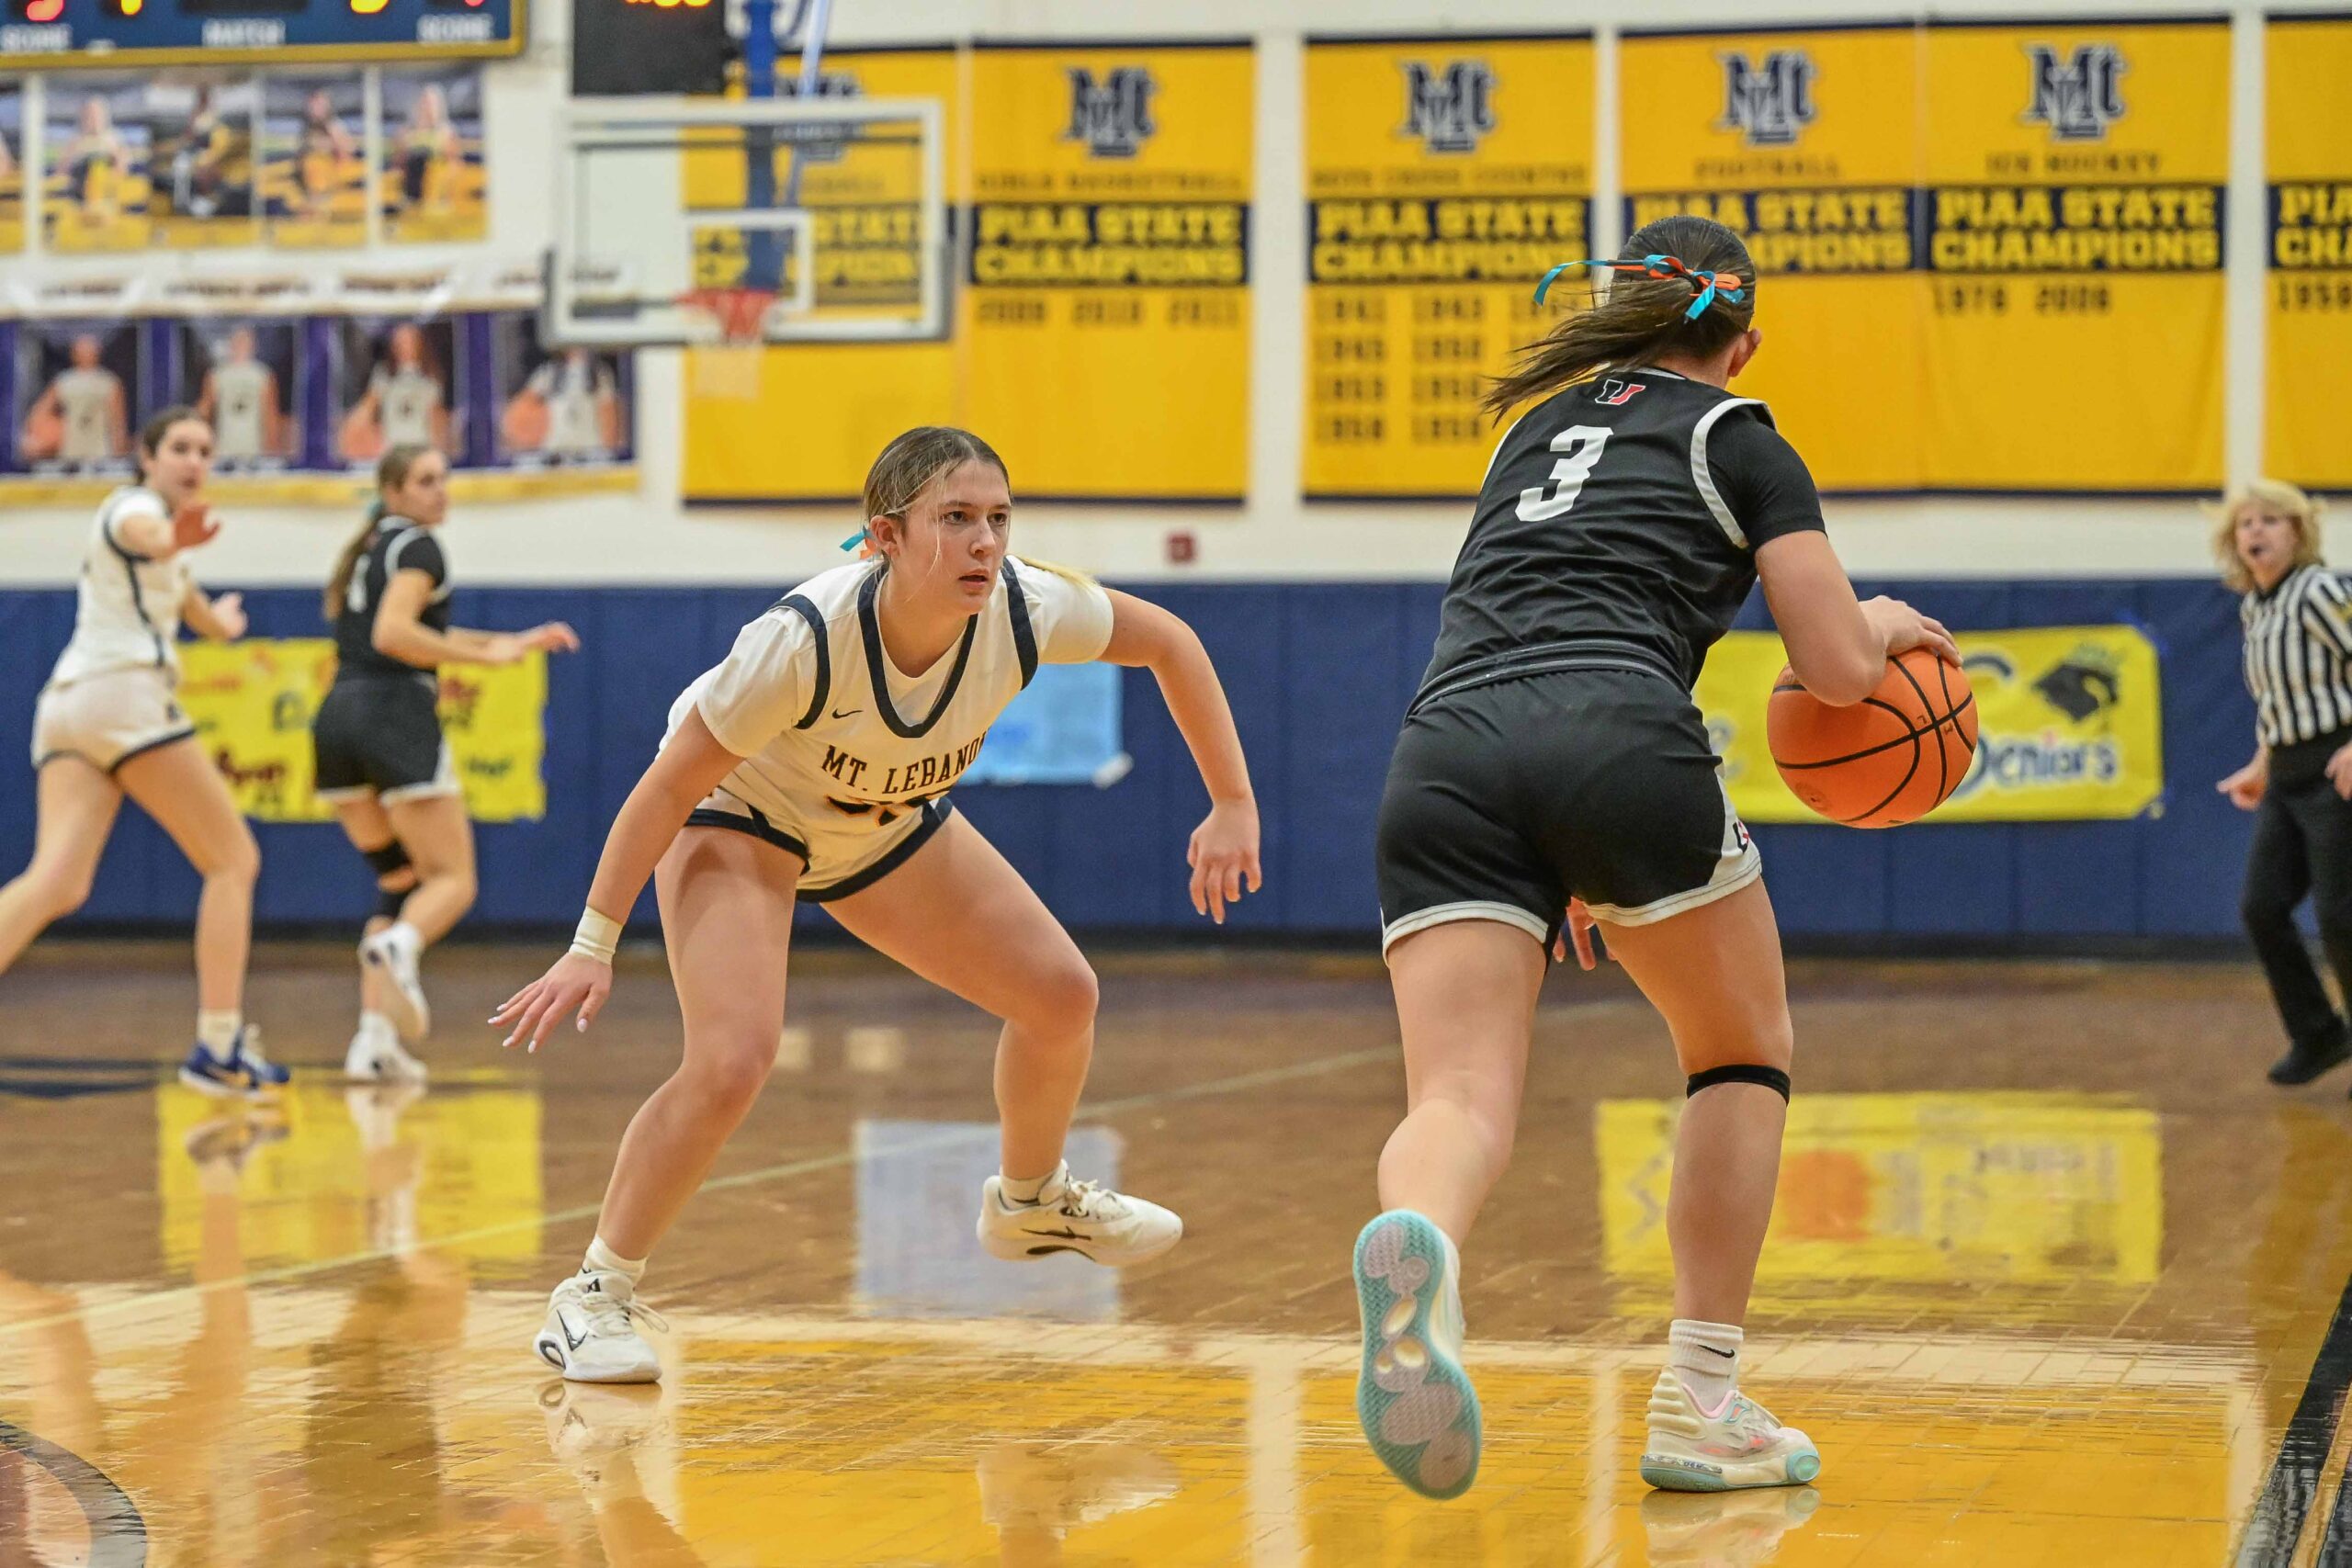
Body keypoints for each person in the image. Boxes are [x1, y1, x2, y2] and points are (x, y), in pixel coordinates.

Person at [1353, 216, 1957, 1498]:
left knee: (1456, 1096)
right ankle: (1701, 1400)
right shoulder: (1740, 436)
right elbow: (1837, 670)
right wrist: (1885, 620)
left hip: (1443, 750)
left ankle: (1420, 1246)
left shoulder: (1529, 432)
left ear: (1620, 313)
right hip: (1616, 729)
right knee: (1740, 1052)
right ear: (1743, 343)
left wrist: (1566, 846)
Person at [491, 425, 1261, 1383]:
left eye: (998, 518)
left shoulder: (1025, 608)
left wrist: (1232, 801)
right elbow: (668, 785)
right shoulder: (803, 640)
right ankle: (592, 1296)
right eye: (956, 518)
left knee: (1061, 995)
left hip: (882, 822)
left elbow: (1172, 644)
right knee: (733, 1057)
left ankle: (1029, 1202)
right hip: (743, 810)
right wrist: (592, 942)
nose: (985, 541)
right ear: (886, 536)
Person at [0, 407, 280, 1097]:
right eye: (180, 447)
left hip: (69, 706)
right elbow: (147, 535)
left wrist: (225, 622)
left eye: (204, 450)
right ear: (147, 458)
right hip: (122, 696)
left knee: (56, 883)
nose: (194, 461)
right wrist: (174, 537)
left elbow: (202, 614)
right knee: (233, 860)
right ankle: (219, 1046)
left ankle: (220, 1046)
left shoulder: (170, 549)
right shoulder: (133, 510)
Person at [313, 445, 580, 1083]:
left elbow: (412, 631)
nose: (441, 490)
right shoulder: (421, 547)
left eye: (443, 478)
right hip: (393, 716)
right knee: (454, 880)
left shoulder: (373, 547)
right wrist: (484, 659)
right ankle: (401, 945)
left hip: (337, 721)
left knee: (401, 882)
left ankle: (373, 1040)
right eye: (426, 480)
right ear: (393, 491)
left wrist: (505, 642)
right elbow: (394, 635)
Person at [2214, 480, 2352, 1088]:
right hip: (2288, 774)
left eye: (2271, 520)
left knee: (2342, 916)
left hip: (2337, 768)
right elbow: (2281, 702)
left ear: (2298, 533)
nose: (2256, 531)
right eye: (2247, 522)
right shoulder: (2255, 607)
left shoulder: (2319, 591)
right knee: (2262, 906)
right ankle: (2319, 1034)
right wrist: (2261, 763)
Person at [22, 333, 127, 468]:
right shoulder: (64, 381)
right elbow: (40, 411)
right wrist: (39, 438)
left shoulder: (109, 382)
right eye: (83, 351)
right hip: (70, 451)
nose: (87, 355)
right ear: (74, 354)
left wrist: (119, 448)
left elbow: (118, 421)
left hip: (100, 453)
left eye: (90, 351)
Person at [200, 326, 281, 465]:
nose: (241, 346)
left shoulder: (263, 375)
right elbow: (205, 411)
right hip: (223, 449)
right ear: (231, 344)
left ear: (253, 345)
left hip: (254, 450)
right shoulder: (217, 375)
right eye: (237, 342)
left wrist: (271, 451)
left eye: (245, 342)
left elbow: (270, 415)